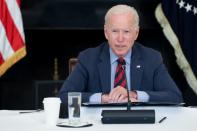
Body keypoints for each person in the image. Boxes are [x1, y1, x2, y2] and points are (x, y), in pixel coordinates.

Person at [59, 4, 183, 105]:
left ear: (136, 34)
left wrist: (133, 94)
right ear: (106, 33)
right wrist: (104, 98)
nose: (120, 38)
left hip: (139, 124)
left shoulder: (152, 58)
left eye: (126, 32)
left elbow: (174, 96)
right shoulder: (88, 58)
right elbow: (65, 95)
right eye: (114, 31)